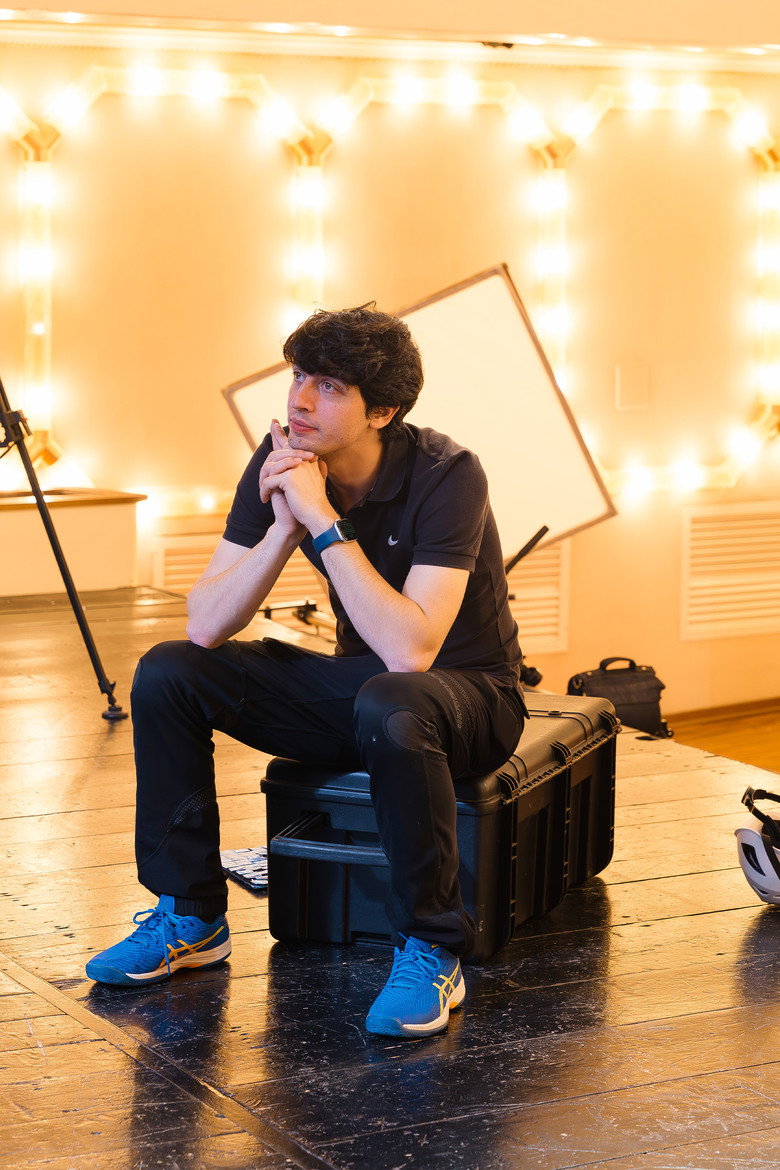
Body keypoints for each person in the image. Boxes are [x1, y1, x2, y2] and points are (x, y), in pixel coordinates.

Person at [86, 304, 525, 1038]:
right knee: (169, 671)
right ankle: (191, 916)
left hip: (471, 697)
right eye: (298, 377)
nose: (299, 400)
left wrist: (322, 519)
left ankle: (433, 948)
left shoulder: (449, 474)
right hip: (366, 692)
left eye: (328, 386)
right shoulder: (281, 462)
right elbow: (206, 623)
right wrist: (283, 529)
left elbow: (412, 651)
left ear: (382, 410)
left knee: (393, 696)